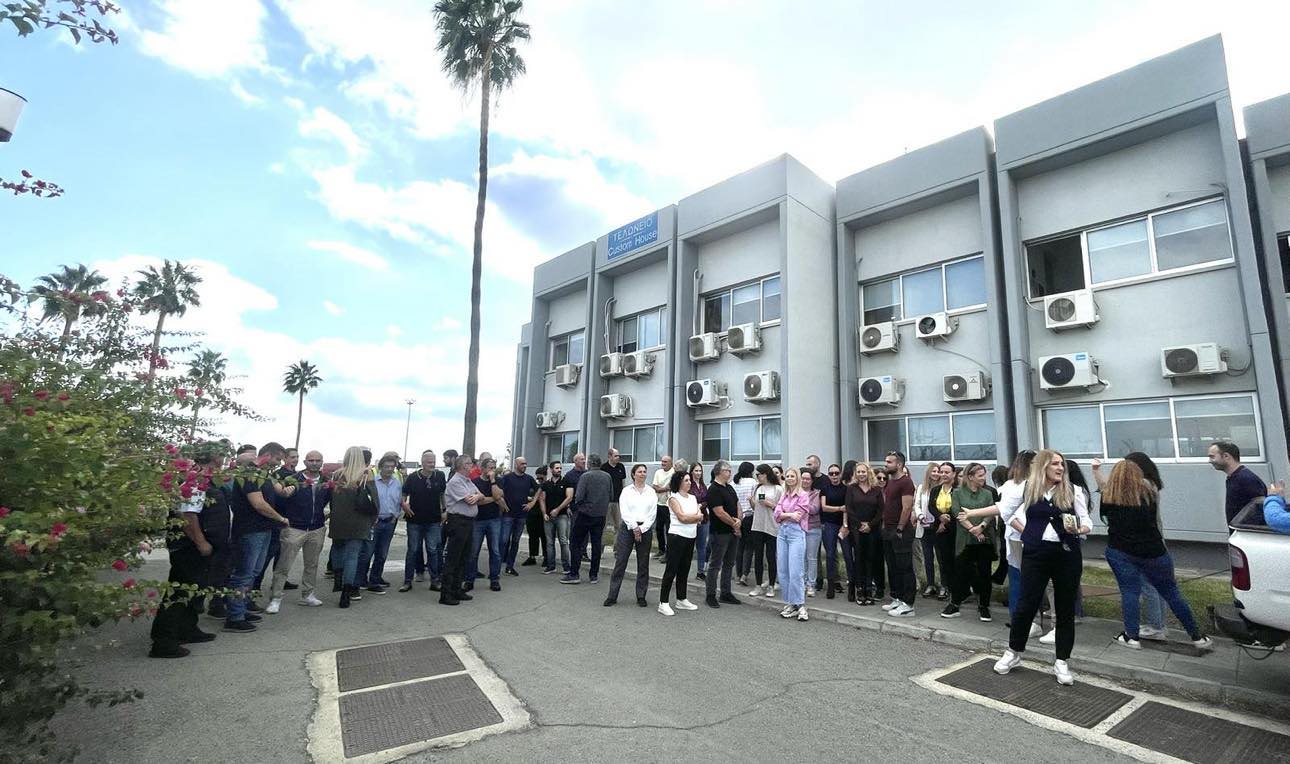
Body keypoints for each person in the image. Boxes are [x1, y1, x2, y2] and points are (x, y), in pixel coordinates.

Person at [993, 450, 1093, 686]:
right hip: (1036, 553)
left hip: (1067, 553)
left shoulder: (1074, 490)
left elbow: (1087, 521)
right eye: (1055, 464)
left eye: (1062, 464)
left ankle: (1062, 660)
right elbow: (1005, 512)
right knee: (1026, 603)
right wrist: (1025, 531)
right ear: (1043, 466)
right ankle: (1014, 651)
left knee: (1065, 607)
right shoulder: (1026, 488)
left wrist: (1079, 529)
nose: (1060, 468)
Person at [1099, 459, 1213, 651]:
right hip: (1154, 551)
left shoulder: (1109, 496)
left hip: (1121, 551)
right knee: (1172, 592)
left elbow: (1104, 518)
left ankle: (1132, 637)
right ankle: (1197, 637)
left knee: (1129, 593)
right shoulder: (1149, 493)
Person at [150, 445, 223, 657]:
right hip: (188, 547)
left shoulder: (202, 479)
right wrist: (201, 542)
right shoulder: (196, 482)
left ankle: (188, 628)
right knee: (180, 591)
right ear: (214, 459)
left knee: (193, 590)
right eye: (222, 456)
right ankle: (163, 641)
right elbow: (188, 515)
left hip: (193, 547)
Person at [224, 443, 292, 632]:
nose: (279, 463)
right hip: (250, 530)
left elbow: (278, 490)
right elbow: (258, 504)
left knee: (253, 572)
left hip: (262, 529)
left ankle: (243, 607)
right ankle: (234, 616)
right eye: (277, 459)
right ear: (267, 455)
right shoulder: (250, 474)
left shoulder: (263, 474)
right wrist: (280, 518)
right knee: (243, 574)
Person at [267, 450, 330, 612]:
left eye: (317, 460)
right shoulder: (293, 480)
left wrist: (326, 515)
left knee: (312, 564)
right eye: (311, 460)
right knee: (284, 564)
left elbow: (328, 500)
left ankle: (308, 594)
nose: (314, 463)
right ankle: (276, 597)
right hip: (294, 527)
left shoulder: (326, 481)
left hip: (317, 528)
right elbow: (280, 500)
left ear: (322, 462)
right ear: (305, 462)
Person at [942, 463, 999, 622]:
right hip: (965, 539)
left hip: (984, 539)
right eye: (980, 475)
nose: (983, 478)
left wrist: (981, 527)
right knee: (961, 572)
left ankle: (984, 606)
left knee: (984, 573)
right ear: (970, 477)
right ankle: (955, 603)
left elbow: (990, 512)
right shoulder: (957, 493)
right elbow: (957, 512)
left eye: (984, 474)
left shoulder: (987, 493)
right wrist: (972, 529)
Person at [327, 446, 380, 609]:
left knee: (337, 549)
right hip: (359, 520)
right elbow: (374, 499)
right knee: (352, 556)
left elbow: (332, 498)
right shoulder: (366, 474)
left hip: (339, 518)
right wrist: (374, 517)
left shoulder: (337, 474)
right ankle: (346, 592)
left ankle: (338, 577)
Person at [605, 463, 655, 607]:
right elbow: (624, 511)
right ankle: (612, 595)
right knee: (621, 561)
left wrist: (642, 529)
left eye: (644, 471)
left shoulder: (651, 492)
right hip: (628, 528)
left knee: (643, 563)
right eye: (639, 471)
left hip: (645, 529)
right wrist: (634, 527)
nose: (642, 474)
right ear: (633, 474)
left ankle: (641, 595)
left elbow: (652, 513)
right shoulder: (626, 491)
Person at [354, 455, 403, 594]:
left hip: (389, 522)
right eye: (386, 466)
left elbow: (398, 500)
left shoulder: (397, 483)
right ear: (380, 467)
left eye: (392, 467)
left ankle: (375, 580)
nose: (389, 469)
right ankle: (361, 580)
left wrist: (395, 516)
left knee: (382, 554)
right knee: (367, 552)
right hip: (374, 522)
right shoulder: (372, 482)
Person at [658, 469, 704, 615]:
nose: (689, 482)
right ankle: (663, 602)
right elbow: (682, 517)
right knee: (671, 569)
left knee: (684, 569)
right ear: (678, 482)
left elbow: (700, 516)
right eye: (686, 480)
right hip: (677, 537)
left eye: (690, 480)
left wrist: (695, 517)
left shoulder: (693, 498)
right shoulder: (673, 498)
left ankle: (681, 599)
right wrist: (695, 517)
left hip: (690, 536)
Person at [399, 450, 446, 593]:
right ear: (422, 463)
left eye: (434, 462)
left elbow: (442, 494)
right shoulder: (413, 477)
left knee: (433, 550)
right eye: (429, 462)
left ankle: (435, 580)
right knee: (413, 550)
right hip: (415, 520)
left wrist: (445, 510)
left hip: (433, 520)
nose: (432, 464)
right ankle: (407, 581)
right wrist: (404, 504)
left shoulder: (440, 475)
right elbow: (404, 493)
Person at [563, 454, 612, 584]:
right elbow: (611, 494)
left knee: (575, 542)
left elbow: (579, 496)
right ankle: (593, 575)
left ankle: (574, 574)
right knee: (596, 544)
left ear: (590, 463)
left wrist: (580, 507)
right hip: (601, 515)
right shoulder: (607, 476)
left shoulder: (586, 476)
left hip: (585, 514)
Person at [441, 454, 482, 605]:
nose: (472, 466)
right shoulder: (455, 481)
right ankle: (446, 594)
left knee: (463, 557)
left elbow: (481, 496)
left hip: (468, 522)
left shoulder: (468, 481)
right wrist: (476, 497)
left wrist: (477, 496)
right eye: (470, 463)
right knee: (453, 558)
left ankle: (457, 589)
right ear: (463, 465)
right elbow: (469, 500)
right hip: (458, 522)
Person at [881, 451, 917, 617]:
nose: (886, 464)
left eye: (889, 462)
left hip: (901, 531)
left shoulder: (906, 482)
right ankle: (898, 598)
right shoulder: (890, 482)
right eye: (886, 461)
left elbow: (907, 507)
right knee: (893, 567)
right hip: (888, 530)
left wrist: (900, 528)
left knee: (905, 567)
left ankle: (908, 604)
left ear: (899, 464)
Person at [773, 467, 813, 621]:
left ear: (797, 478)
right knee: (783, 570)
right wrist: (788, 514)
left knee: (796, 570)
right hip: (782, 533)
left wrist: (784, 515)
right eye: (788, 476)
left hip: (796, 533)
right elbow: (776, 515)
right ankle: (791, 603)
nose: (789, 478)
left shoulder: (803, 495)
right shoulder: (784, 495)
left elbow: (799, 516)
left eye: (792, 476)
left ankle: (800, 605)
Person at [704, 460, 743, 608]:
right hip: (720, 532)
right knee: (715, 564)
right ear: (718, 472)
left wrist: (739, 520)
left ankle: (726, 593)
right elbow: (719, 512)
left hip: (732, 531)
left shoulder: (729, 487)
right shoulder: (713, 489)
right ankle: (710, 595)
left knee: (729, 563)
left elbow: (738, 504)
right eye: (727, 470)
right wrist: (734, 523)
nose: (730, 473)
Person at [846, 462, 885, 606]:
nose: (861, 474)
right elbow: (849, 508)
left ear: (868, 472)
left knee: (870, 559)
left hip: (872, 529)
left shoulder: (876, 489)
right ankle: (860, 590)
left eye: (863, 471)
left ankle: (869, 589)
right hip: (857, 529)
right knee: (859, 559)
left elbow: (881, 510)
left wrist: (870, 525)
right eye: (859, 472)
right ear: (855, 474)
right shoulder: (851, 488)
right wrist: (859, 524)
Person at [1208, 441, 1267, 528]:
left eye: (1212, 457)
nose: (1209, 461)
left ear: (1226, 456)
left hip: (1247, 534)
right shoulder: (1234, 478)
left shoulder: (1246, 479)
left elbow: (1260, 509)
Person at [468, 458, 506, 592]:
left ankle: (494, 579)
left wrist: (493, 481)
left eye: (494, 468)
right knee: (473, 552)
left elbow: (498, 496)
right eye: (490, 468)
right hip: (478, 520)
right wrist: (493, 499)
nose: (492, 470)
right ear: (482, 469)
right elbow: (477, 501)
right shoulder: (475, 482)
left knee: (495, 551)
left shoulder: (498, 481)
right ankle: (469, 579)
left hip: (494, 520)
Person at [745, 463, 782, 598]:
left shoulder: (778, 489)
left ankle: (771, 585)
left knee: (771, 557)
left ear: (765, 474)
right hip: (758, 525)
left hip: (772, 526)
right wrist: (751, 501)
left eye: (759, 474)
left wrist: (770, 504)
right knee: (758, 556)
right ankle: (758, 585)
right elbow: (757, 506)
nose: (757, 477)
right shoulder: (758, 488)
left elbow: (781, 508)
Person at [499, 457, 539, 577]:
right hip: (508, 514)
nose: (524, 466)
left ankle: (510, 567)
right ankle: (496, 567)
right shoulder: (507, 478)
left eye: (526, 463)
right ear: (516, 464)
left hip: (521, 515)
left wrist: (532, 503)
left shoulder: (529, 478)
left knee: (515, 541)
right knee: (504, 541)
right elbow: (498, 491)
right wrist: (502, 504)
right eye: (522, 464)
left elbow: (539, 490)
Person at [818, 463, 850, 601]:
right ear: (828, 475)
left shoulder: (846, 489)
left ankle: (852, 585)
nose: (834, 476)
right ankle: (831, 584)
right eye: (831, 473)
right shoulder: (825, 489)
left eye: (836, 473)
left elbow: (848, 508)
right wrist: (839, 508)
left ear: (840, 474)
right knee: (830, 554)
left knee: (848, 555)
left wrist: (845, 524)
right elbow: (824, 507)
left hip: (843, 524)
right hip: (829, 524)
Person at [927, 462, 958, 601]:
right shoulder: (936, 490)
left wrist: (946, 520)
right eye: (942, 472)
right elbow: (931, 506)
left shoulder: (957, 490)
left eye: (947, 472)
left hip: (954, 529)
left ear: (953, 474)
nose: (943, 475)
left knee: (955, 560)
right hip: (939, 529)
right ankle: (947, 587)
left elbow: (958, 507)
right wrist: (940, 517)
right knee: (943, 560)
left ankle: (957, 590)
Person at [540, 462, 571, 574]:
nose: (559, 470)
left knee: (563, 540)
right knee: (549, 542)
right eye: (557, 468)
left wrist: (557, 509)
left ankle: (566, 566)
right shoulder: (546, 484)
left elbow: (569, 497)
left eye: (560, 468)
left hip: (562, 515)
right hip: (548, 516)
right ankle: (551, 566)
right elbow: (542, 499)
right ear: (551, 469)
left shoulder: (566, 482)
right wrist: (544, 513)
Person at [913, 464, 939, 598]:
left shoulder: (942, 488)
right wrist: (920, 516)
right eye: (933, 471)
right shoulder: (921, 488)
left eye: (938, 471)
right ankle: (930, 584)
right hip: (924, 526)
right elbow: (916, 505)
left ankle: (943, 585)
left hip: (938, 527)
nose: (936, 473)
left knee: (940, 558)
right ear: (928, 472)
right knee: (928, 558)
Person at [732, 462, 757, 586]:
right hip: (749, 516)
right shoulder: (753, 483)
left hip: (736, 517)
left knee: (739, 547)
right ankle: (744, 575)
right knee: (749, 547)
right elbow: (757, 499)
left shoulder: (734, 483)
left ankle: (738, 574)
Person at [522, 462, 549, 567]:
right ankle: (532, 556)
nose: (539, 480)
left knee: (544, 537)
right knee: (533, 536)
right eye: (537, 478)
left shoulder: (548, 485)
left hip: (543, 514)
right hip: (532, 514)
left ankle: (546, 557)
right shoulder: (534, 484)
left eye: (541, 478)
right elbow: (526, 495)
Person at [651, 455, 675, 560]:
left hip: (669, 505)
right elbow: (655, 487)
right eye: (662, 461)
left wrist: (661, 489)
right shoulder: (658, 472)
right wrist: (665, 489)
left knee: (669, 529)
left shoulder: (674, 473)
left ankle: (669, 553)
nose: (663, 463)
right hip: (659, 504)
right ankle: (661, 550)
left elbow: (672, 487)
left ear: (671, 463)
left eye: (665, 462)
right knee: (658, 528)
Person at [689, 462, 710, 580]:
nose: (698, 473)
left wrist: (701, 505)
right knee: (689, 545)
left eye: (700, 471)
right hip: (692, 518)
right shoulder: (688, 484)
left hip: (704, 517)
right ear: (691, 471)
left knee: (702, 546)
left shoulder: (702, 485)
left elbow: (708, 499)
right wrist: (696, 505)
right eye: (696, 470)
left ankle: (700, 571)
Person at [602, 447, 627, 538]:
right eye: (615, 456)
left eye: (618, 456)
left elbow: (623, 482)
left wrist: (624, 497)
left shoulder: (621, 467)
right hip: (606, 501)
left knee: (619, 525)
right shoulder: (603, 468)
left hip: (618, 500)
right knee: (603, 525)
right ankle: (600, 545)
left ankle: (618, 546)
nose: (618, 458)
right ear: (609, 456)